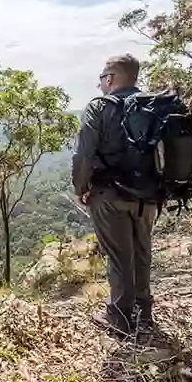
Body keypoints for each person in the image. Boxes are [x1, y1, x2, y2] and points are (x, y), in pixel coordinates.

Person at [72, 54, 157, 335]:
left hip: (110, 196)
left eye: (101, 79)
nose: (99, 85)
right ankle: (144, 314)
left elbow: (83, 154)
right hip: (148, 196)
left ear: (109, 78)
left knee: (120, 258)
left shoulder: (98, 107)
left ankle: (120, 319)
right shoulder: (153, 106)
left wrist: (81, 189)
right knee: (142, 253)